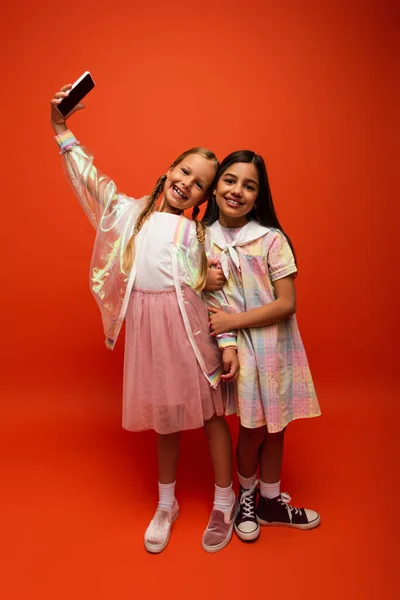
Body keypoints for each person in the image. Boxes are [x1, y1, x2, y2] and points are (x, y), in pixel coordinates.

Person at [50, 84, 239, 554]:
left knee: (213, 417)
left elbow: (220, 294)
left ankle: (224, 499)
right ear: (169, 170)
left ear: (205, 196)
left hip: (193, 337)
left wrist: (229, 338)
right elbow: (91, 182)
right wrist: (61, 129)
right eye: (184, 171)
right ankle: (167, 502)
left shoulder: (202, 233)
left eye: (199, 184)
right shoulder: (131, 217)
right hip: (151, 339)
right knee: (167, 422)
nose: (187, 184)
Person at [203, 150, 321, 542]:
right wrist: (228, 339)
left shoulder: (270, 240)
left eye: (249, 185)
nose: (238, 190)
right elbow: (208, 301)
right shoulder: (203, 242)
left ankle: (272, 500)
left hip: (276, 346)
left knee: (277, 424)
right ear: (215, 186)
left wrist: (233, 320)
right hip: (239, 349)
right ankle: (248, 495)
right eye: (230, 180)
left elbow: (286, 304)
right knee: (252, 428)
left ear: (259, 196)